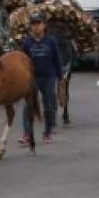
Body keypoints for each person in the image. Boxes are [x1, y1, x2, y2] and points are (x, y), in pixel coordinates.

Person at [18, 12, 62, 146]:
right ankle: (26, 134)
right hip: (32, 79)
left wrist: (60, 77)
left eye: (38, 24)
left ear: (44, 25)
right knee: (28, 107)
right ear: (30, 27)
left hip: (49, 77)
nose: (36, 27)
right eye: (33, 24)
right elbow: (22, 62)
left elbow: (57, 59)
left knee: (49, 106)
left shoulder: (51, 41)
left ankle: (47, 132)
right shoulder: (26, 43)